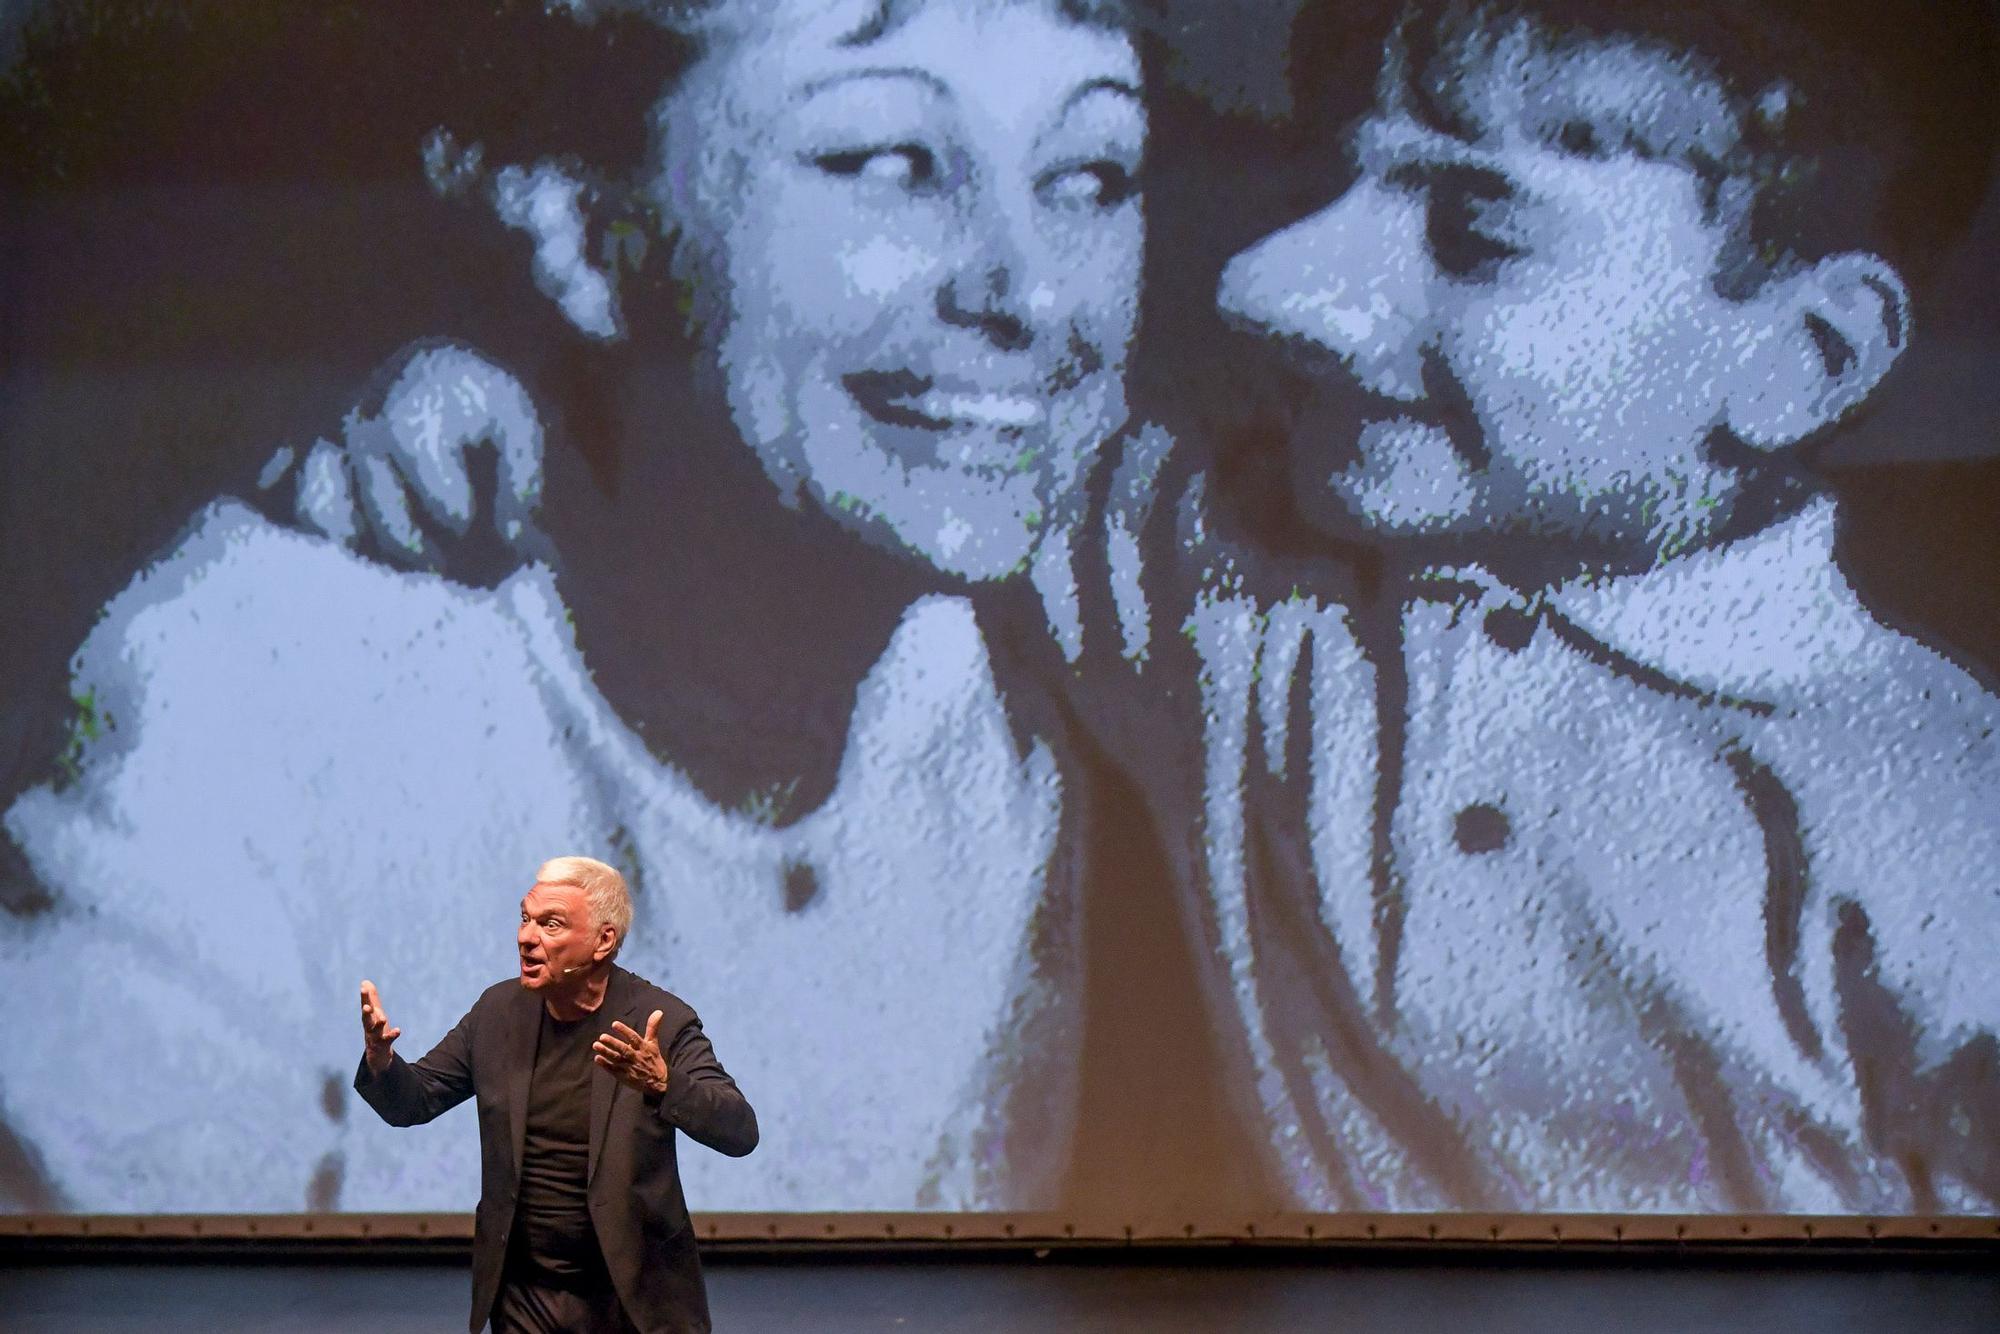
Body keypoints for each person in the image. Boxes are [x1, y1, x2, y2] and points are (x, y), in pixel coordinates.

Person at [2, 0, 1146, 1214]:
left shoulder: (986, 719)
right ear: (584, 230)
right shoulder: (246, 698)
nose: (1029, 291)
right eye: (887, 163)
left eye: (1087, 174)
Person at [1145, 0, 2000, 1212]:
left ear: (1797, 356)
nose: (1270, 290)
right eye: (1321, 191)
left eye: (1478, 230)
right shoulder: (1227, 577)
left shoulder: (1947, 813)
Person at [357, 855, 756, 1334]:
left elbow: (740, 1130)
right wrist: (381, 1061)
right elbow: (414, 1101)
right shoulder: (498, 1012)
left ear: (604, 941)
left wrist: (664, 1084)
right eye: (526, 919)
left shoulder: (659, 1020)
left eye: (551, 924)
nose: (527, 937)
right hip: (526, 1293)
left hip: (633, 1296)